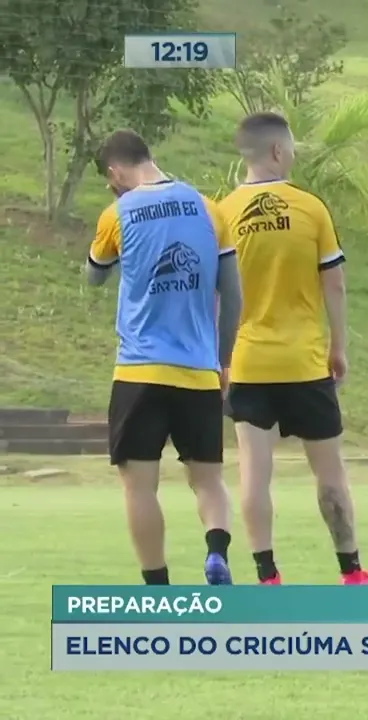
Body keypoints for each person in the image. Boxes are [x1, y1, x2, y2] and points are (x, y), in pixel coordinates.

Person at [220, 112, 368, 585]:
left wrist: (219, 359)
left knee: (253, 473)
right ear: (277, 152)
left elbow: (215, 294)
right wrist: (339, 347)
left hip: (248, 362)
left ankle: (267, 574)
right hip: (304, 362)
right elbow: (336, 286)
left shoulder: (222, 214)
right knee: (329, 472)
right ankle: (350, 570)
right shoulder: (310, 208)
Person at [85, 130, 242, 586]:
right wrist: (224, 360)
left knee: (139, 486)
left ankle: (158, 587)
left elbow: (94, 276)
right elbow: (231, 297)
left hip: (139, 370)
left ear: (114, 172)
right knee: (208, 480)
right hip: (198, 371)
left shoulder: (117, 213)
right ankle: (216, 552)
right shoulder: (208, 208)